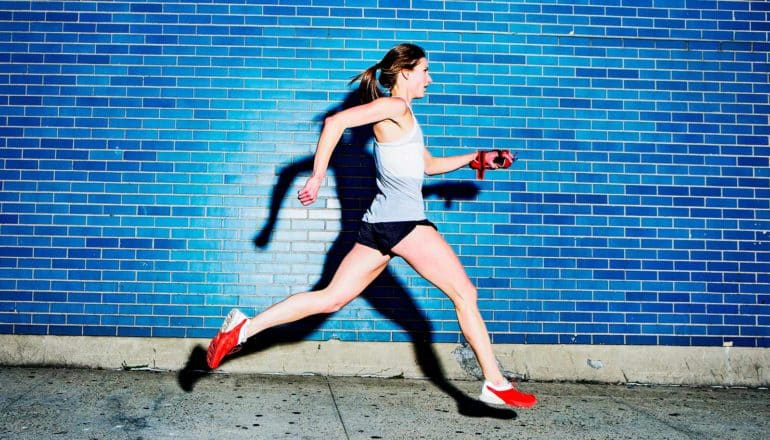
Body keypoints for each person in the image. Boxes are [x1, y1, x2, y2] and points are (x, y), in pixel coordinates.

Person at [206, 43, 536, 408]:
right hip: (404, 224)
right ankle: (494, 382)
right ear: (406, 73)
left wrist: (477, 159)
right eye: (425, 71)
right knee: (465, 295)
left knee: (330, 299)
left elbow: (427, 165)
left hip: (379, 225)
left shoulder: (404, 115)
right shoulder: (394, 106)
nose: (431, 78)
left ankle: (243, 328)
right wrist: (316, 177)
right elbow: (335, 122)